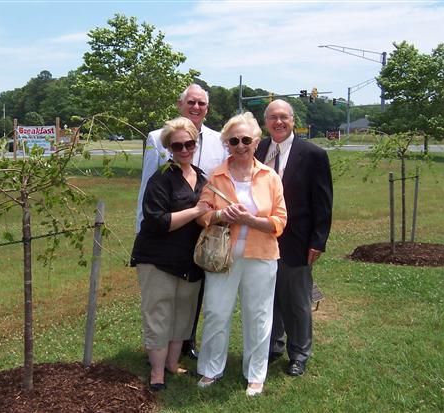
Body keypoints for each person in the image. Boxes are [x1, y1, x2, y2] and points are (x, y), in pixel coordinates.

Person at [195, 112, 287, 397]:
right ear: (226, 144)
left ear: (256, 142)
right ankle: (211, 368)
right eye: (233, 140)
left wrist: (250, 221)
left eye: (246, 139)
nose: (240, 145)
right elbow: (202, 213)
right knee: (215, 311)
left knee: (258, 316)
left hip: (261, 255)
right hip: (223, 255)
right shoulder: (217, 175)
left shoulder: (270, 177)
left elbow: (280, 221)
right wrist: (222, 214)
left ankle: (255, 374)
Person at [135, 83, 227, 359]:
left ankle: (187, 342)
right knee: (163, 298)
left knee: (193, 293)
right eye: (191, 102)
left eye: (201, 103)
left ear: (207, 109)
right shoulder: (157, 138)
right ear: (180, 105)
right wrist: (144, 224)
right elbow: (147, 185)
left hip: (201, 231)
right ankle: (162, 353)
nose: (196, 107)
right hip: (166, 229)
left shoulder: (219, 139)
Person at [131, 117, 212, 391]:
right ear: (169, 148)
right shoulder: (161, 178)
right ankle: (156, 373)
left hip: (189, 260)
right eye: (178, 146)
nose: (185, 149)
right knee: (159, 313)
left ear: (195, 143)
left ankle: (172, 364)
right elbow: (157, 221)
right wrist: (197, 211)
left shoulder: (202, 177)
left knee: (183, 314)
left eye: (190, 143)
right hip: (158, 259)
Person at [254, 99, 333, 377]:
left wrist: (318, 240)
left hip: (298, 239)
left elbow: (323, 203)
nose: (278, 122)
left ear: (292, 120)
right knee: (269, 296)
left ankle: (299, 353)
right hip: (262, 238)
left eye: (284, 117)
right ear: (266, 122)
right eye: (273, 117)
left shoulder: (313, 154)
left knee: (297, 300)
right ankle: (273, 344)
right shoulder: (258, 148)